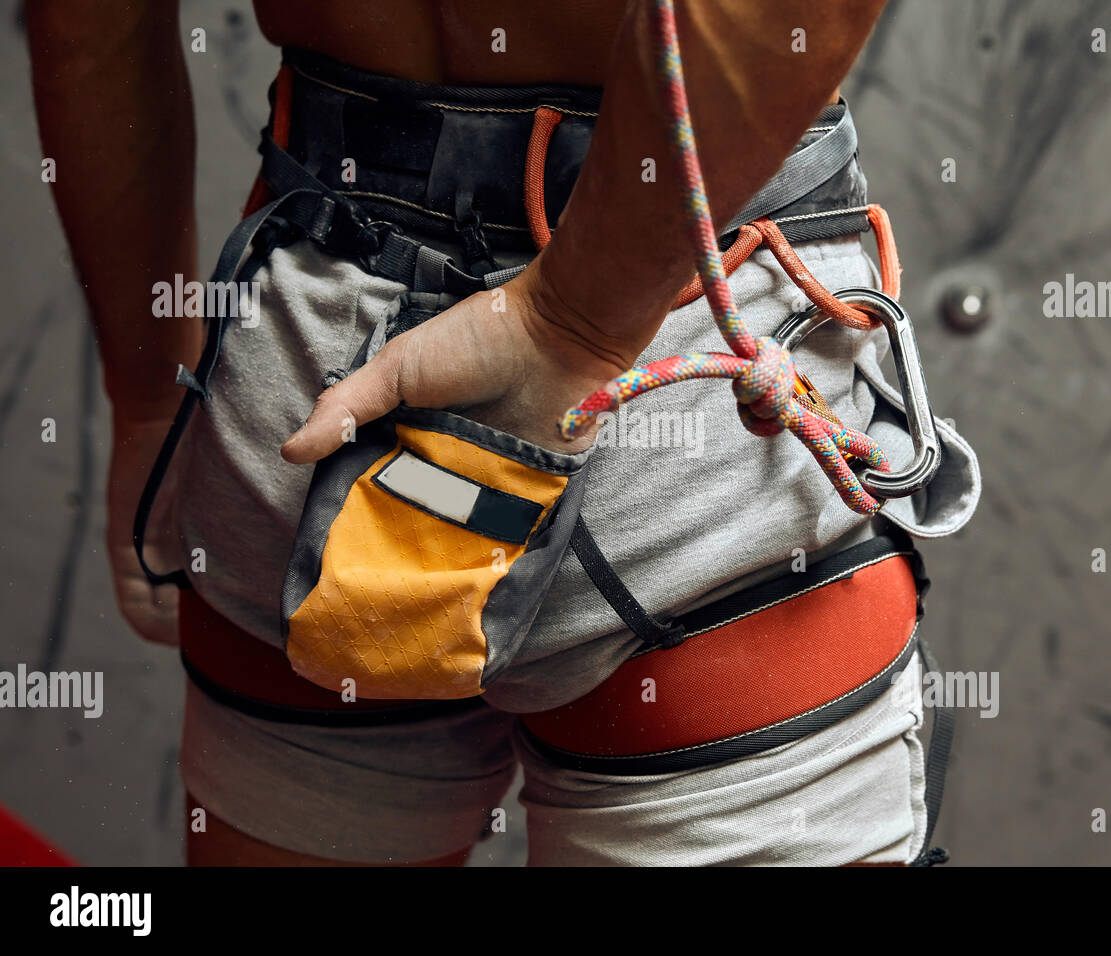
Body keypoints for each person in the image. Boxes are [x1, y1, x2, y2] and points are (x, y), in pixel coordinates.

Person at [28, 0, 980, 866]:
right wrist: (570, 325)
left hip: (318, 371)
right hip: (686, 358)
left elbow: (88, 24)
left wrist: (152, 399)